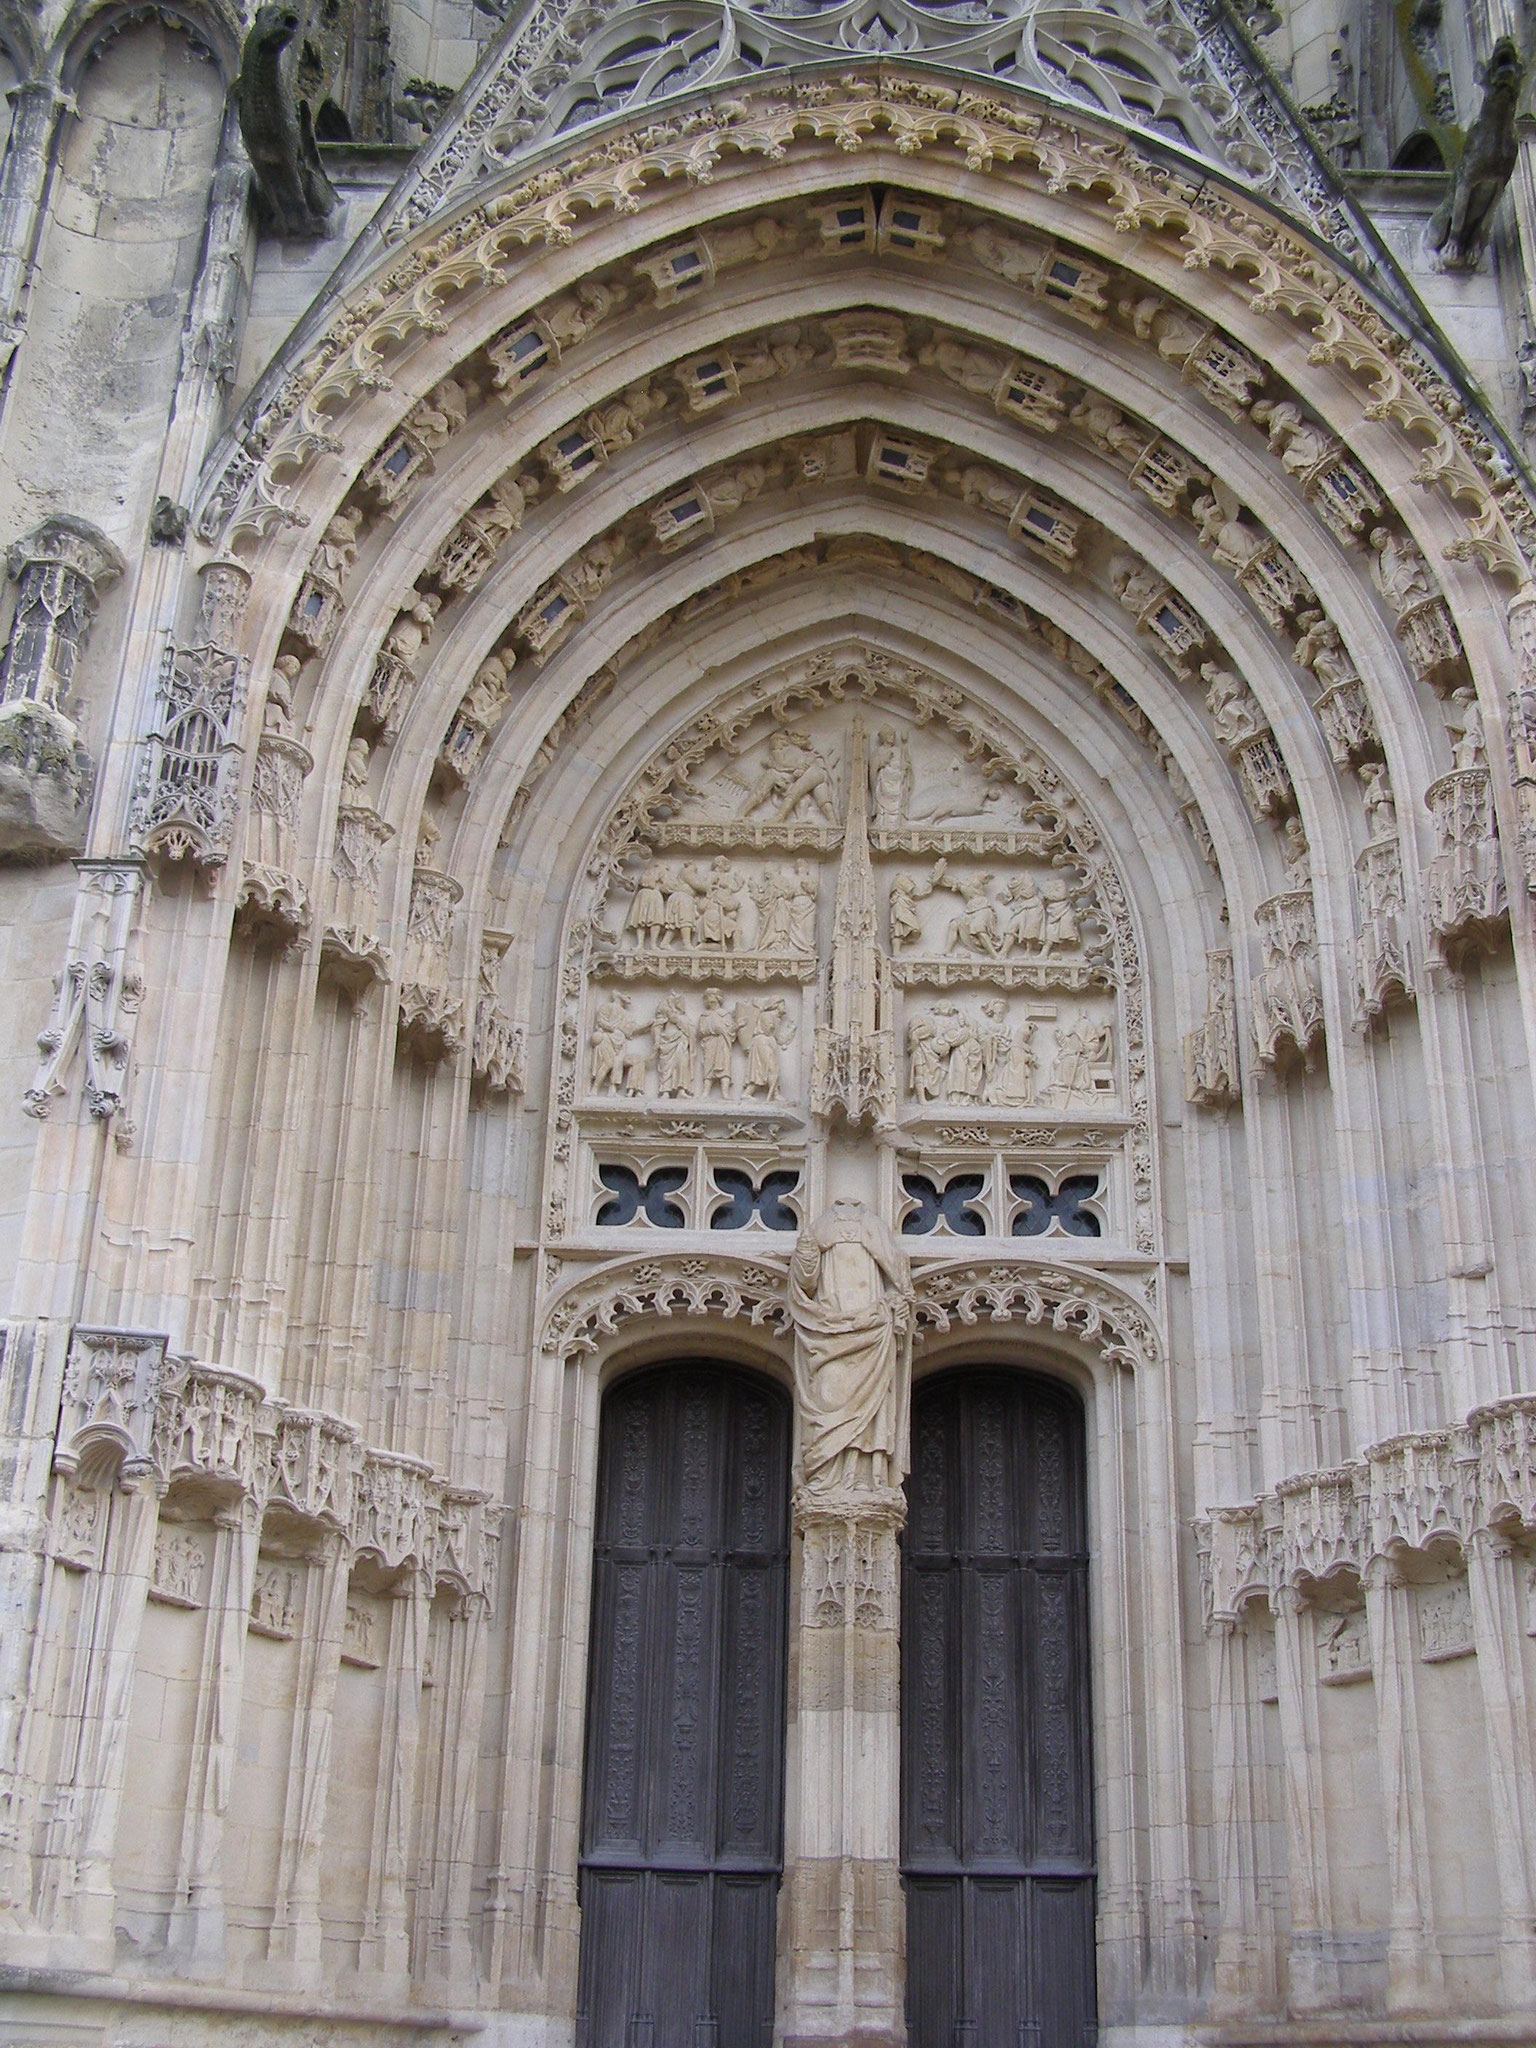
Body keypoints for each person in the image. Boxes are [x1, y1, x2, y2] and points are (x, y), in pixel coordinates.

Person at [790, 1199, 913, 1495]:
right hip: (828, 1330)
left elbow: (898, 1280)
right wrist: (806, 1258)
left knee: (873, 1407)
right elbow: (806, 1282)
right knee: (828, 1392)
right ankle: (826, 1477)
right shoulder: (820, 1228)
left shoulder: (875, 1227)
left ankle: (866, 1478)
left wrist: (895, 1304)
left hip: (873, 1327)